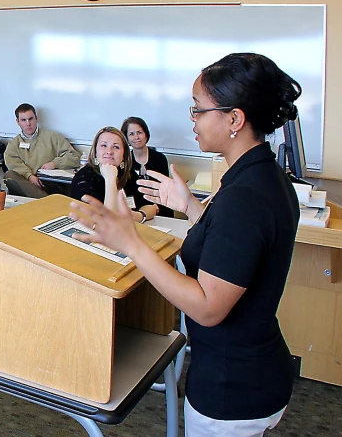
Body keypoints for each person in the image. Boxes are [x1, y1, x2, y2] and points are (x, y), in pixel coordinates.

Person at [68, 53, 301, 436]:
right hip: (250, 368)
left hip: (232, 388)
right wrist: (190, 207)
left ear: (234, 119)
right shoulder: (261, 174)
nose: (191, 120)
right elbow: (233, 249)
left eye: (198, 110)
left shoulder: (246, 195)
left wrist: (132, 243)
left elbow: (208, 307)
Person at [68, 127, 158, 224]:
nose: (109, 151)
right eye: (104, 145)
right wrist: (110, 179)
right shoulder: (84, 177)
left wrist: (138, 216)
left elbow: (152, 207)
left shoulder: (127, 173)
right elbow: (108, 220)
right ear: (95, 152)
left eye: (116, 147)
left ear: (124, 155)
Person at [3, 103, 81, 198]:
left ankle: (45, 201)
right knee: (9, 176)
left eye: (31, 119)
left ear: (36, 118)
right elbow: (13, 164)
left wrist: (55, 163)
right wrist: (29, 176)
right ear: (18, 122)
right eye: (23, 120)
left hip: (48, 183)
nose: (28, 123)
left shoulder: (52, 137)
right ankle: (47, 201)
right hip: (26, 183)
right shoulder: (13, 144)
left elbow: (74, 156)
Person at [121, 117, 173, 217]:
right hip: (137, 213)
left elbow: (164, 189)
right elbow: (128, 194)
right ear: (126, 138)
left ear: (146, 134)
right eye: (131, 134)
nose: (136, 137)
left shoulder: (160, 159)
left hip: (161, 210)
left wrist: (156, 207)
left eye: (139, 132)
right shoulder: (125, 162)